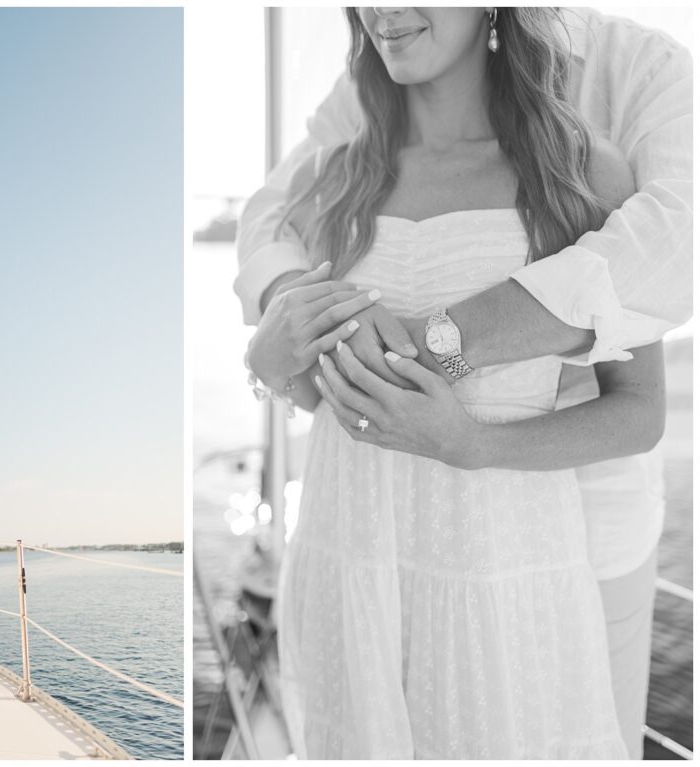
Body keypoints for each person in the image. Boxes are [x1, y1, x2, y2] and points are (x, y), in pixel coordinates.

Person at [237, 6, 691, 759]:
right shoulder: (331, 180)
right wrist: (269, 358)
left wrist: (472, 443)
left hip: (502, 571)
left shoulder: (578, 170)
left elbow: (640, 414)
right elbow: (322, 395)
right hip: (347, 556)